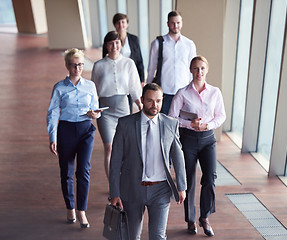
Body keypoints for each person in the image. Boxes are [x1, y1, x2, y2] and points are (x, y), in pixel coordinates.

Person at [109, 83, 187, 240]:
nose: (155, 105)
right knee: (132, 236)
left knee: (158, 237)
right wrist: (114, 193)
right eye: (150, 100)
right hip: (132, 188)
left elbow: (178, 157)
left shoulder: (171, 124)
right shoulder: (125, 124)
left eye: (158, 101)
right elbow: (115, 160)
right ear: (142, 100)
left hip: (161, 190)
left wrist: (182, 186)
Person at [168, 56, 226, 237]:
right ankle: (191, 220)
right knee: (189, 180)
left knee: (210, 177)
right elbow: (171, 117)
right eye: (195, 69)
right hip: (189, 139)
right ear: (191, 70)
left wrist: (207, 125)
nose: (199, 72)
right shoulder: (182, 93)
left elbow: (221, 116)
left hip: (208, 139)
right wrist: (189, 124)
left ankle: (205, 217)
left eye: (202, 68)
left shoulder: (215, 92)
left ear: (206, 70)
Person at [47, 48, 101, 228]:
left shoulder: (90, 86)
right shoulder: (59, 88)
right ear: (67, 66)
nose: (77, 68)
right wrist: (52, 136)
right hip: (66, 131)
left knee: (83, 170)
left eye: (80, 65)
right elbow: (53, 113)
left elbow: (96, 110)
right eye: (74, 65)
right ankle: (70, 207)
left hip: (86, 130)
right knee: (67, 172)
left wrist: (95, 114)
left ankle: (81, 211)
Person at [92, 31, 143, 178]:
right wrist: (93, 109)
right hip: (105, 111)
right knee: (109, 148)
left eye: (117, 42)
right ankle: (113, 187)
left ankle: (124, 181)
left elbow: (133, 87)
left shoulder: (128, 63)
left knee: (124, 149)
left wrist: (139, 104)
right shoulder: (98, 65)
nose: (114, 46)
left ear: (121, 44)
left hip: (123, 108)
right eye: (111, 43)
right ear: (106, 45)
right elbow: (94, 90)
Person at [146, 10, 196, 115]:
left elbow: (193, 68)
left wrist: (193, 89)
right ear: (167, 23)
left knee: (182, 123)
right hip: (164, 91)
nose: (175, 26)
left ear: (182, 23)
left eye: (178, 23)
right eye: (172, 23)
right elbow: (151, 68)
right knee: (164, 122)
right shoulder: (157, 43)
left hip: (184, 90)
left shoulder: (189, 44)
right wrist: (148, 89)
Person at [111, 13, 145, 113]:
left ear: (127, 24)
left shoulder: (134, 39)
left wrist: (142, 79)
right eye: (118, 23)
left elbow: (139, 59)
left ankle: (127, 118)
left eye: (123, 22)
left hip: (130, 74)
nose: (120, 25)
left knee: (131, 99)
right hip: (116, 75)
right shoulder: (111, 39)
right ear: (114, 25)